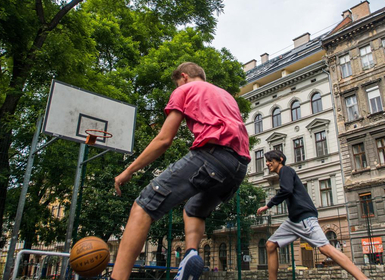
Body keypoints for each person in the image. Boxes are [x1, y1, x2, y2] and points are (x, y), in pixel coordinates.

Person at [112, 62, 250, 280]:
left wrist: (129, 170)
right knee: (193, 209)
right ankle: (190, 256)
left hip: (212, 156)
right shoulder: (225, 95)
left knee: (143, 205)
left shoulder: (184, 90)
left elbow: (164, 140)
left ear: (184, 77)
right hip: (238, 166)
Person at [256, 151, 370, 280]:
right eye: (266, 161)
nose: (267, 163)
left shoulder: (285, 170)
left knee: (325, 249)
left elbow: (286, 190)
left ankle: (363, 279)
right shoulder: (283, 174)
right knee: (270, 245)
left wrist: (268, 205)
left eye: (270, 160)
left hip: (304, 218)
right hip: (294, 221)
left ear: (280, 159)